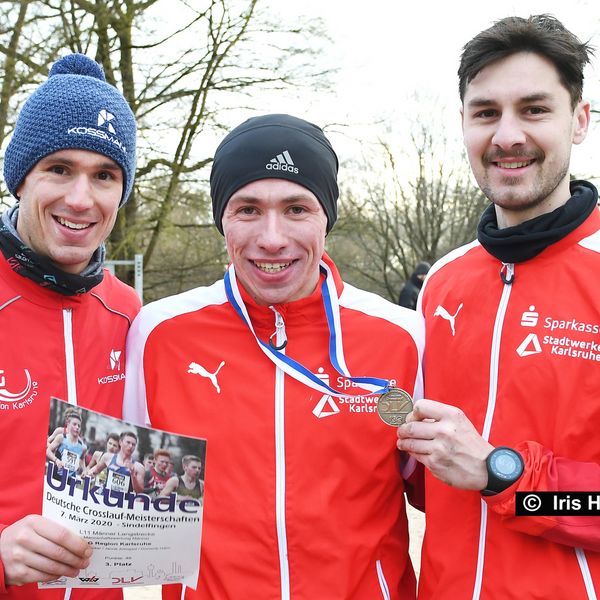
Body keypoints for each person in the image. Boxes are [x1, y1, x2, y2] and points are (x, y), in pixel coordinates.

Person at [124, 113, 424, 599]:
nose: (272, 238)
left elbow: (439, 494)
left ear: (328, 215)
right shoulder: (159, 333)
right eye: (247, 210)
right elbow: (127, 497)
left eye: (296, 209)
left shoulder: (403, 336)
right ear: (221, 218)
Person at [396, 15, 600, 599]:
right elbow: (426, 482)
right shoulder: (442, 281)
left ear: (579, 120)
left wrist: (503, 475)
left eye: (534, 109)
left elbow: (481, 470)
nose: (507, 136)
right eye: (486, 113)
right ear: (463, 124)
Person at [0, 53, 140, 599]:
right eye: (59, 169)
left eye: (104, 176)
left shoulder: (132, 316)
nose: (80, 199)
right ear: (21, 180)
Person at [46, 412, 87, 480]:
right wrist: (56, 460)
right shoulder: (61, 437)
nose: (77, 427)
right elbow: (48, 451)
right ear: (68, 424)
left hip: (71, 480)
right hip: (56, 475)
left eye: (79, 426)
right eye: (74, 424)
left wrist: (84, 470)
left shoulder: (82, 447)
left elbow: (82, 459)